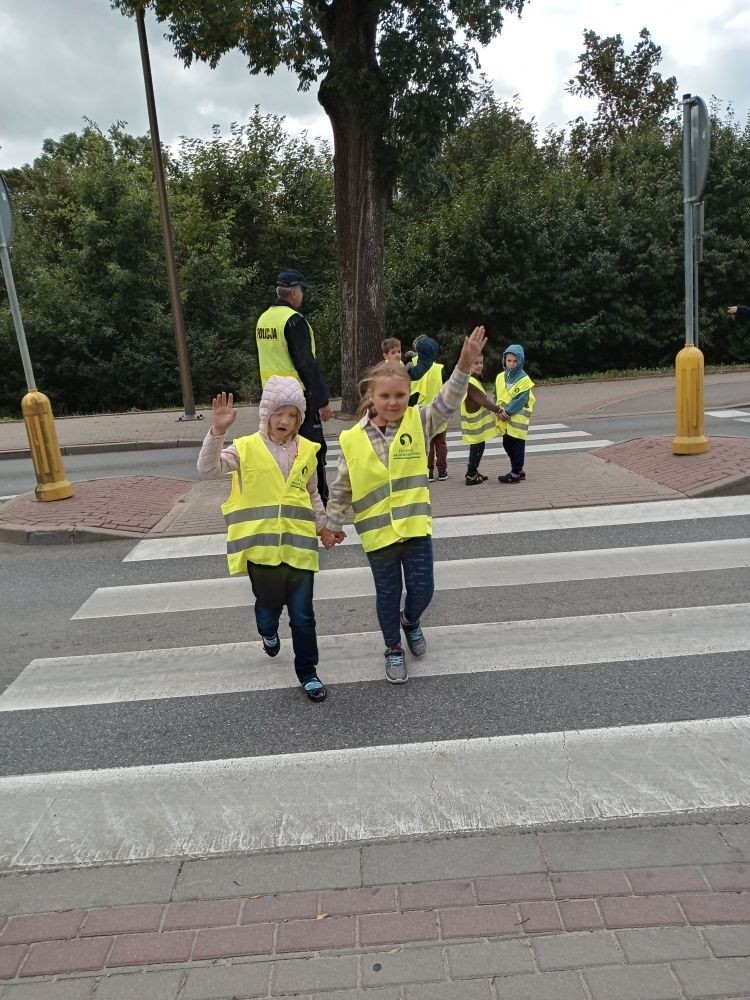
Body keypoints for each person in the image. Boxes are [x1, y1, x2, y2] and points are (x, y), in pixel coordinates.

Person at [324, 326, 488, 684]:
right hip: (379, 536)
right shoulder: (351, 439)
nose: (394, 402)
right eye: (385, 396)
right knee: (387, 595)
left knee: (423, 589)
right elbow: (341, 487)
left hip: (414, 528)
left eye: (400, 394)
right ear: (372, 395)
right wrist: (332, 525)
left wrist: (462, 366)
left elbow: (448, 400)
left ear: (409, 393)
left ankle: (410, 620)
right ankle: (393, 648)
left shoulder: (420, 420)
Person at [197, 377, 329, 702]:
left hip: (299, 548)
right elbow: (207, 468)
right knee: (269, 609)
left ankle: (308, 673)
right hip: (261, 549)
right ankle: (268, 631)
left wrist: (324, 525)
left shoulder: (308, 450)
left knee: (303, 616)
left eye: (292, 415)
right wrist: (217, 432)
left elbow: (311, 493)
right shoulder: (245, 448)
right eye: (278, 413)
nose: (285, 421)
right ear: (266, 414)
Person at [255, 269, 331, 505]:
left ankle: (283, 498)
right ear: (295, 292)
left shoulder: (264, 319)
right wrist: (322, 399)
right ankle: (318, 502)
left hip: (271, 397)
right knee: (312, 449)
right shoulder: (294, 321)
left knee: (279, 448)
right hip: (296, 399)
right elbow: (306, 363)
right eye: (302, 291)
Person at [408, 335, 447, 480]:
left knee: (428, 443)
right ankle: (442, 471)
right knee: (440, 443)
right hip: (440, 410)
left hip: (422, 411)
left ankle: (428, 471)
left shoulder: (414, 368)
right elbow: (447, 386)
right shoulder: (439, 368)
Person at [495, 343, 535, 484]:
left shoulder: (524, 379)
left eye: (515, 361)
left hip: (517, 419)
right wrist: (497, 410)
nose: (511, 363)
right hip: (505, 419)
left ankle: (515, 472)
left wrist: (506, 413)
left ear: (520, 361)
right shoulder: (501, 377)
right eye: (509, 360)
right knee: (507, 444)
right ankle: (517, 469)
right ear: (504, 360)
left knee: (517, 446)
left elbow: (521, 399)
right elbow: (497, 394)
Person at [461, 353, 501, 485]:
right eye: (476, 363)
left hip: (475, 422)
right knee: (476, 448)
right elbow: (483, 401)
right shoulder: (470, 382)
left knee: (479, 447)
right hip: (475, 423)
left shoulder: (472, 379)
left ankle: (474, 470)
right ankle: (471, 474)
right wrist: (498, 410)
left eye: (481, 363)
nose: (479, 366)